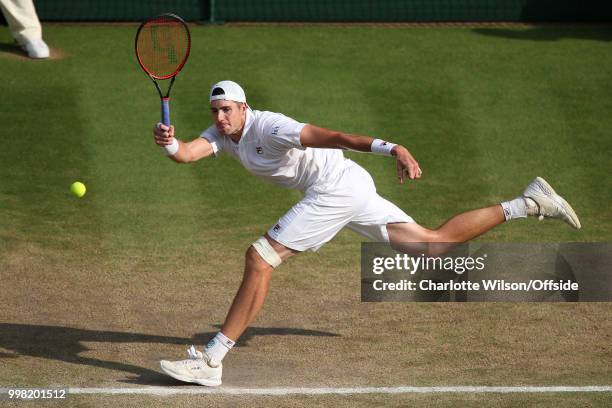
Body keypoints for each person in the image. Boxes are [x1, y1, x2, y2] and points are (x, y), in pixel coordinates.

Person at [154, 80, 581, 386]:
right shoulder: (223, 134)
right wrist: (170, 142)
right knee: (432, 245)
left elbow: (335, 136)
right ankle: (529, 203)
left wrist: (391, 147)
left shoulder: (272, 126)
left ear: (245, 108)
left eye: (227, 109)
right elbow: (188, 154)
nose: (220, 117)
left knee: (260, 257)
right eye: (215, 111)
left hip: (335, 188)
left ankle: (212, 359)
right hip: (348, 187)